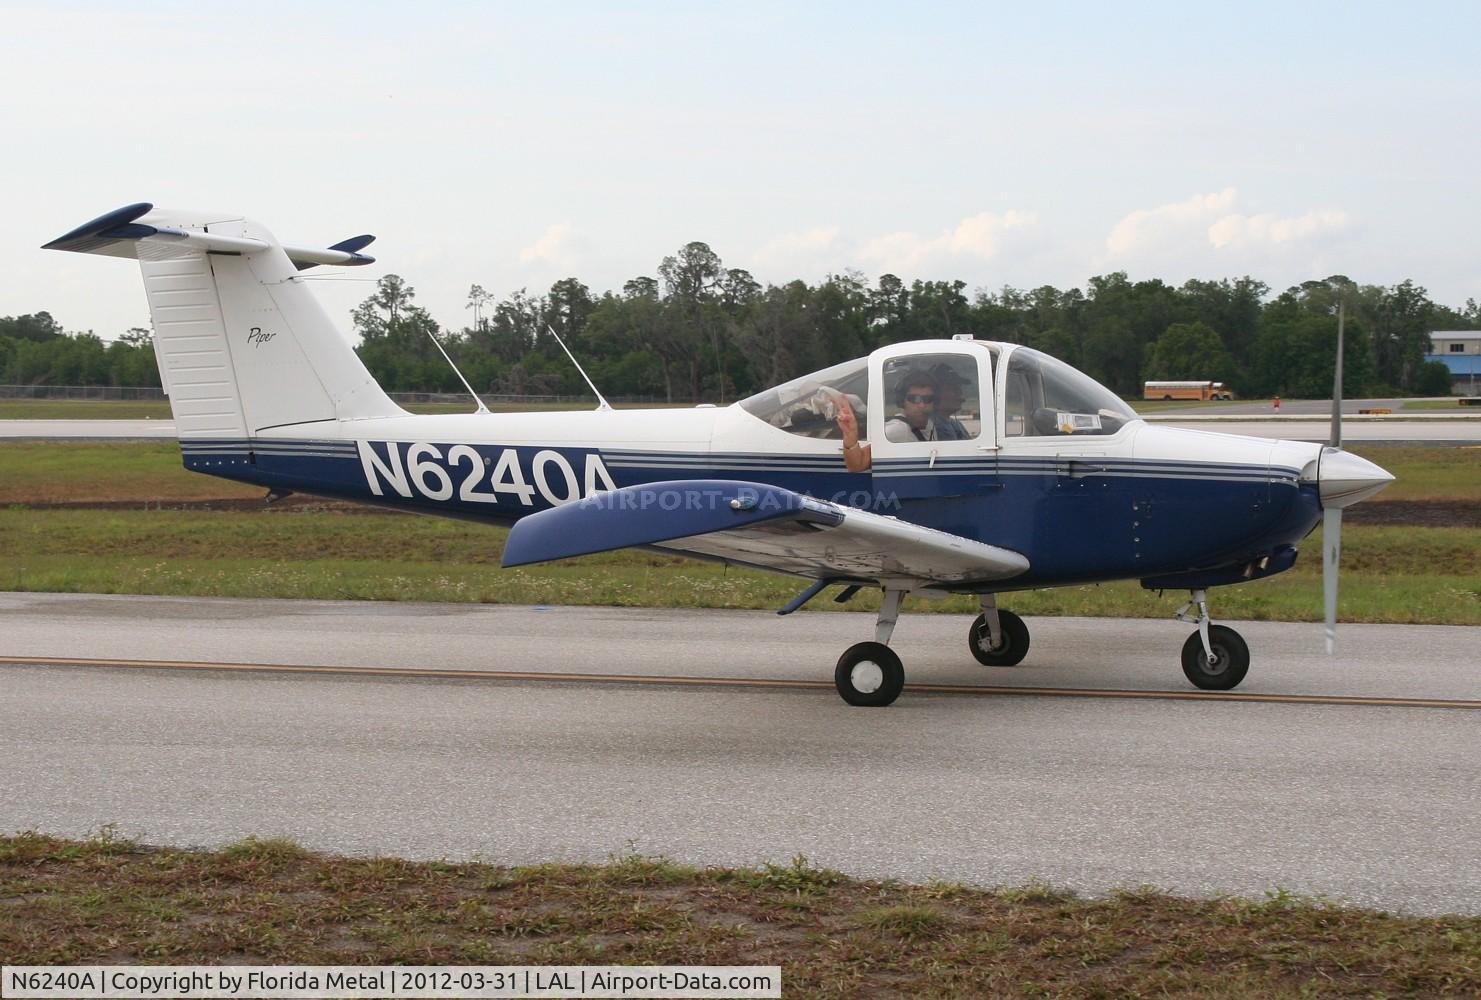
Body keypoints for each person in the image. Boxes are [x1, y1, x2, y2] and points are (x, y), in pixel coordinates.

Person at [884, 371, 938, 442]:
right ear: (902, 401)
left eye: (927, 399)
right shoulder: (898, 429)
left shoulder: (929, 425)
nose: (922, 405)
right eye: (914, 399)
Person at [930, 364, 972, 441]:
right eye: (954, 388)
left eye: (959, 388)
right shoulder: (931, 426)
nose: (960, 393)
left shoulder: (956, 424)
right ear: (936, 393)